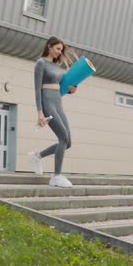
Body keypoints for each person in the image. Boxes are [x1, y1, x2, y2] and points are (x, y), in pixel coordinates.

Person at [29, 36, 77, 188]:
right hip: (48, 103)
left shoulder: (55, 66)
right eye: (57, 49)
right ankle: (56, 176)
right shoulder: (41, 63)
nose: (59, 52)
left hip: (58, 103)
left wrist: (71, 91)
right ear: (49, 46)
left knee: (67, 142)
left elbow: (61, 86)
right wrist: (39, 112)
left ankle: (38, 156)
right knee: (62, 137)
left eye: (61, 50)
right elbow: (37, 89)